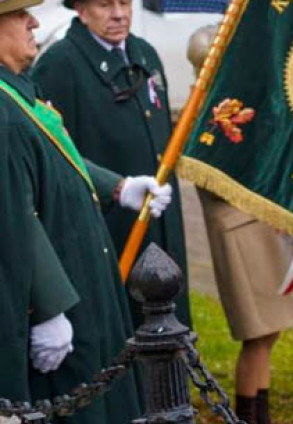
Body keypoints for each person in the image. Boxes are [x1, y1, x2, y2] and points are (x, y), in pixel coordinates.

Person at [0, 0, 170, 424]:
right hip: (66, 299)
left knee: (109, 415)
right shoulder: (3, 111)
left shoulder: (16, 92)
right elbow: (13, 216)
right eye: (19, 16)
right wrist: (49, 307)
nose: (34, 22)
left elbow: (57, 151)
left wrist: (118, 187)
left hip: (87, 285)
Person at [31, 0, 191, 330]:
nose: (119, 14)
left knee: (169, 326)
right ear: (80, 9)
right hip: (109, 226)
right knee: (124, 331)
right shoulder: (60, 64)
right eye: (105, 4)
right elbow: (56, 153)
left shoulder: (144, 52)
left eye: (124, 2)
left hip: (160, 221)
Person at [186, 25, 293, 424]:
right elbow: (213, 176)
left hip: (257, 221)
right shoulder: (203, 111)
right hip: (235, 226)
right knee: (256, 330)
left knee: (269, 329)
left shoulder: (231, 103)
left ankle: (262, 420)